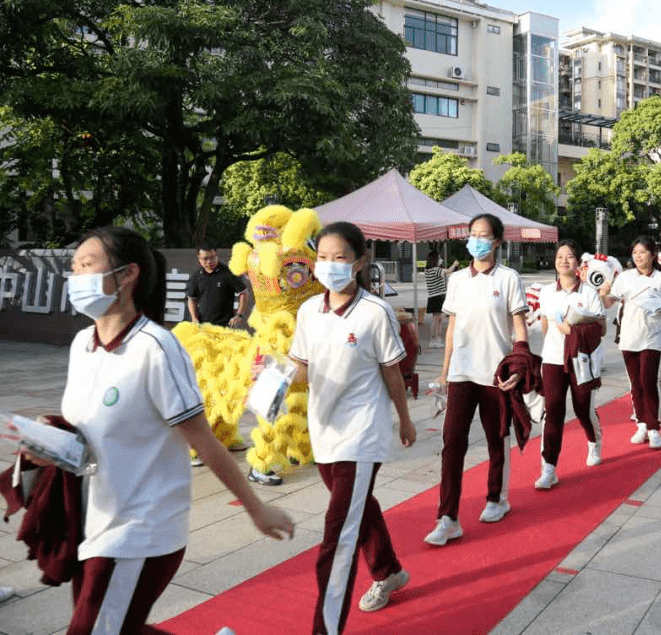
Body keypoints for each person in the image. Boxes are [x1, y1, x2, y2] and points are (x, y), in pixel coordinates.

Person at [51, 226, 293, 634]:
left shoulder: (157, 348)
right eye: (74, 267)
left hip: (143, 529)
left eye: (87, 266)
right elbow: (86, 433)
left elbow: (204, 439)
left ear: (128, 275)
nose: (77, 277)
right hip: (95, 519)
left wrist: (256, 508)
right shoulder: (82, 345)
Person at [277, 221, 416, 629]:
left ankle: (326, 627)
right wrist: (270, 380)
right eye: (322, 257)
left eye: (339, 258)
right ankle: (388, 570)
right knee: (359, 509)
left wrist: (404, 420)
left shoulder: (376, 313)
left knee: (336, 539)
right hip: (325, 431)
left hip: (362, 434)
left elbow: (393, 371)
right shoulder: (308, 311)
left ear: (359, 262)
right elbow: (301, 367)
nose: (329, 265)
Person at [424, 214, 529, 547]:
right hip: (461, 373)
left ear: (497, 241)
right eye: (473, 234)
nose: (477, 240)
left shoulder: (509, 278)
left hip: (495, 374)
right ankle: (448, 518)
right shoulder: (456, 280)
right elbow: (452, 327)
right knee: (452, 444)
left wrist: (519, 364)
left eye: (484, 235)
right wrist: (443, 371)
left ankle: (497, 498)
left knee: (497, 439)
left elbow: (519, 326)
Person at [534, 240, 607, 490]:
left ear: (577, 263)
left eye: (570, 256)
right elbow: (544, 323)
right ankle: (549, 467)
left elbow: (602, 328)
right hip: (553, 359)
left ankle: (594, 440)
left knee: (582, 408)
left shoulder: (588, 293)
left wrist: (574, 331)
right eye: (560, 257)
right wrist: (552, 346)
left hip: (581, 360)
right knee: (552, 411)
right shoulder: (546, 293)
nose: (564, 261)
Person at [599, 236, 661, 450]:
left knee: (649, 381)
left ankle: (654, 428)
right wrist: (601, 294)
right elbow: (608, 303)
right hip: (629, 338)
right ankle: (641, 423)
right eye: (635, 253)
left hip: (652, 337)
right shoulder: (625, 278)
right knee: (635, 384)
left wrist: (656, 306)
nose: (638, 257)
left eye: (642, 252)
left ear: (653, 254)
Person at [186, 244, 249, 327]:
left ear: (217, 256)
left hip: (225, 325)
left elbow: (243, 293)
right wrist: (194, 318)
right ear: (199, 259)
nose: (209, 261)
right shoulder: (196, 276)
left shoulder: (228, 273)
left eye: (212, 257)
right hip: (203, 325)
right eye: (205, 259)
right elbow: (192, 299)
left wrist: (239, 315)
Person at [424, 251, 458, 348]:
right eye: (439, 258)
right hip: (438, 297)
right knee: (438, 320)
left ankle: (434, 339)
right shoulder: (436, 270)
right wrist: (454, 264)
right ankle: (436, 339)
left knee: (435, 319)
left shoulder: (428, 270)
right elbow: (448, 271)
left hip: (432, 297)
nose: (441, 260)